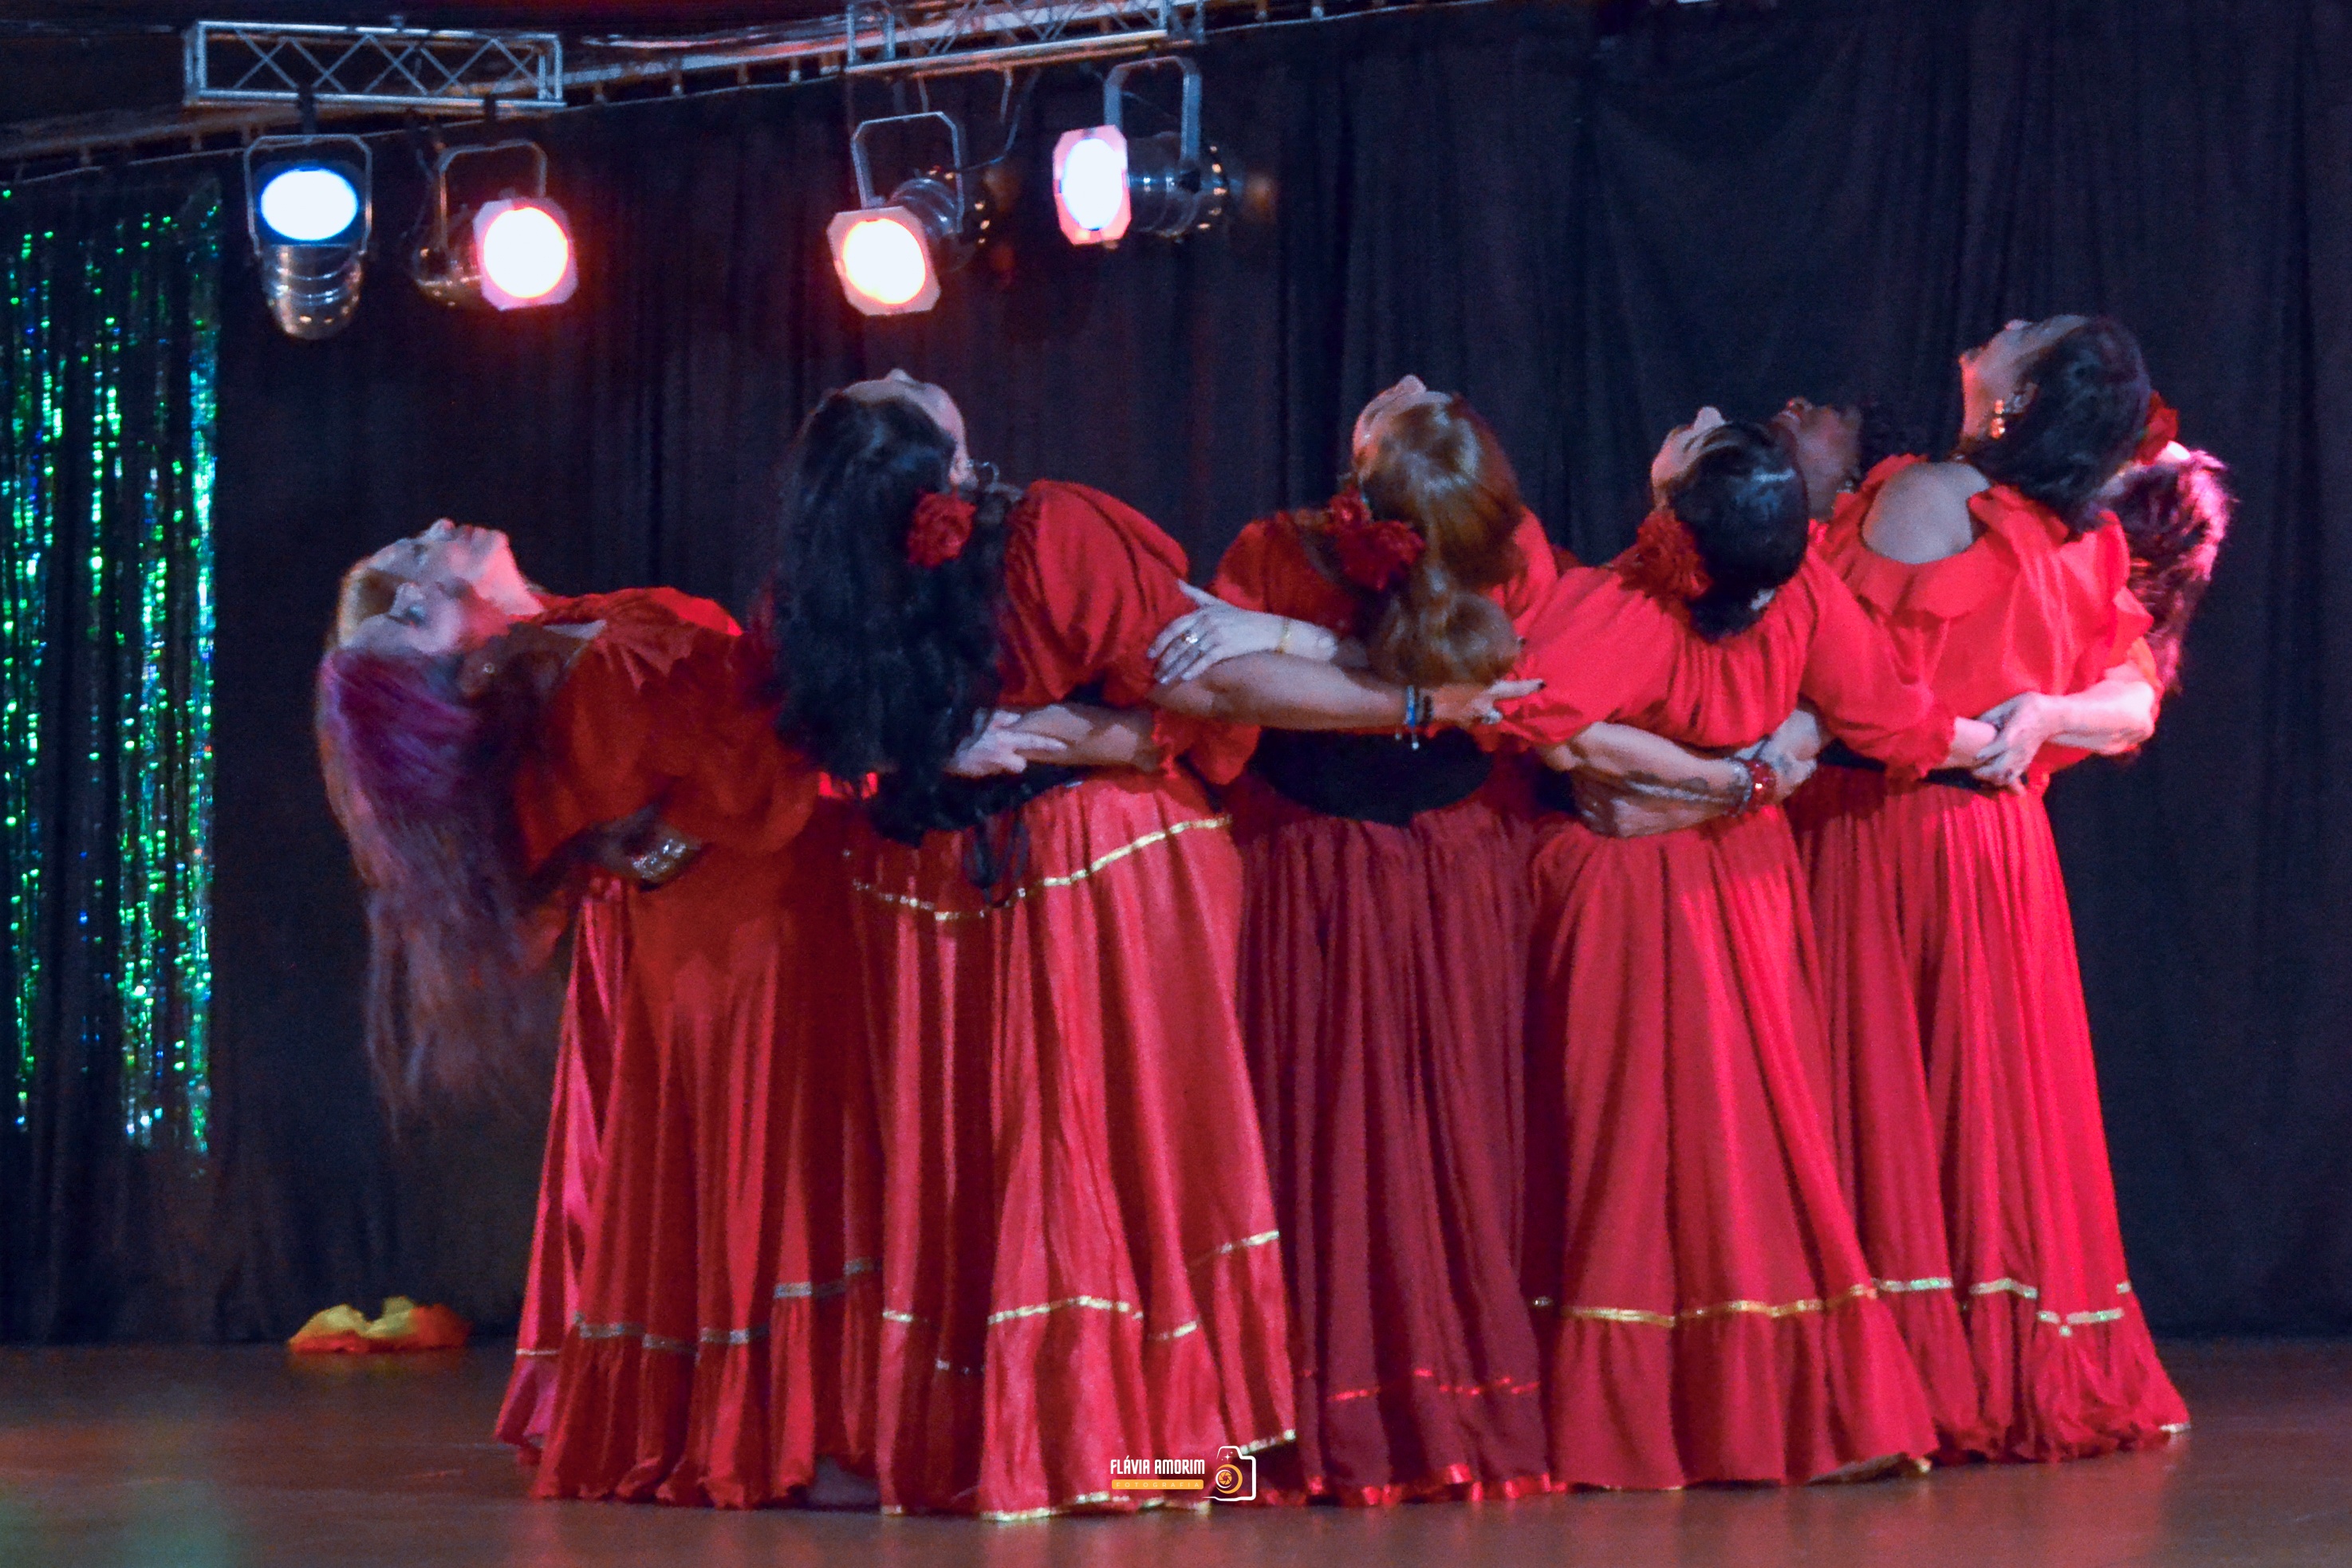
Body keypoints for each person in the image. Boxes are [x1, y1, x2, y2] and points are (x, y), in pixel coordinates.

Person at [317, 523, 875, 1507]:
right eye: (413, 605)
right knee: (792, 1176)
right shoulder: (593, 682)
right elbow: (769, 779)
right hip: (758, 945)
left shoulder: (578, 637)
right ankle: (800, 1436)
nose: (418, 557)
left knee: (780, 1174)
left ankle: (788, 1428)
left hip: (745, 932)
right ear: (471, 671)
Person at [1496, 411, 1993, 1489]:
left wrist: (1718, 780)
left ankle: (1642, 1417)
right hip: (1743, 875)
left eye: (1699, 439)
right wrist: (1747, 779)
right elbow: (1883, 713)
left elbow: (1546, 722)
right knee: (1747, 1132)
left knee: (1642, 1134)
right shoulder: (1802, 588)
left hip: (1630, 883)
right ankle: (1768, 1406)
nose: (1697, 419)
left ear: (1677, 513)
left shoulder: (1621, 603)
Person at [1143, 380, 1564, 1503]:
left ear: (1357, 486)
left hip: (1317, 871)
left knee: (1320, 1126)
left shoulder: (1274, 552)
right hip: (1447, 870)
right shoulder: (1512, 553)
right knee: (1442, 1131)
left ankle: (1294, 1422)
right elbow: (1506, 691)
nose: (1418, 382)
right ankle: (1447, 1402)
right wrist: (1421, 702)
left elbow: (1217, 700)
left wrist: (1289, 639)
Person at [1785, 315, 2192, 1462]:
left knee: (1883, 1089)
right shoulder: (2080, 540)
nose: (2000, 325)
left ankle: (1890, 1378)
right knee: (1973, 1103)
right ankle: (1993, 1351)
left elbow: (1822, 661)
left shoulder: (1927, 497)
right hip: (2000, 852)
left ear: (2015, 402)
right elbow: (2132, 700)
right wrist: (2050, 713)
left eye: (2028, 333)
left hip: (1885, 833)